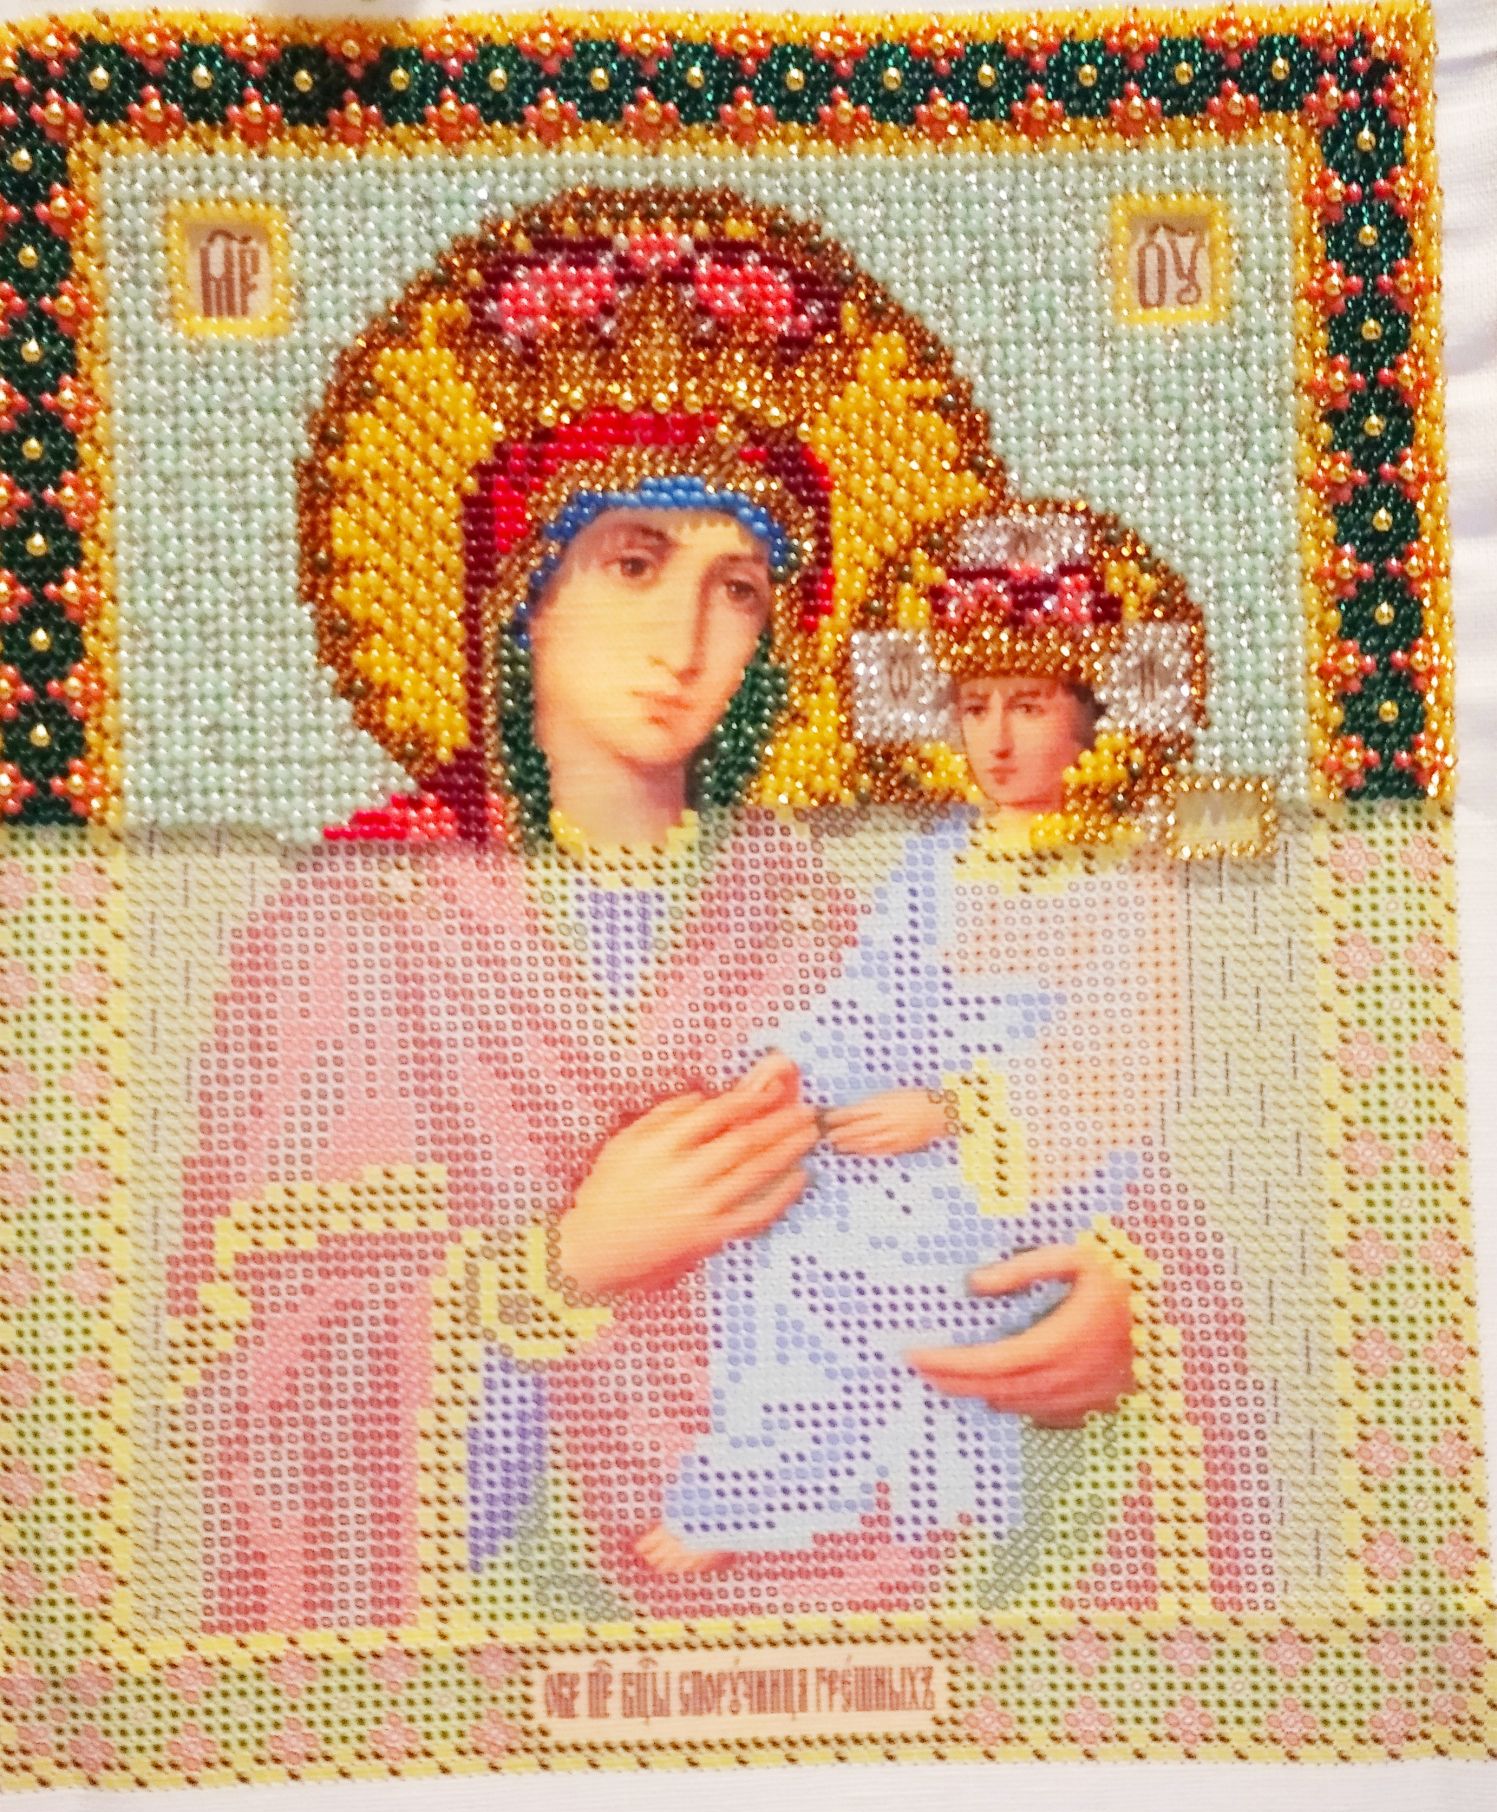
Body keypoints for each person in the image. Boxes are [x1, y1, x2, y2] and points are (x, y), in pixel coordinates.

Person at [164, 191, 1137, 1633]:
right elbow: (242, 1346)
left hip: (852, 1588)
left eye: (736, 588)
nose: (686, 640)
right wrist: (560, 1267)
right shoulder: (361, 928)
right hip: (494, 1628)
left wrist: (1107, 1307)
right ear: (518, 589)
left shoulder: (814, 922)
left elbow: (1041, 1139)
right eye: (631, 561)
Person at [643, 499, 1240, 1581]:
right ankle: (799, 1481)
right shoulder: (942, 852)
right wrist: (791, 1062)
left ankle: (790, 1498)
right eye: (973, 706)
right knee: (770, 1209)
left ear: (1089, 716)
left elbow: (1127, 1047)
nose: (996, 739)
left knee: (841, 1252)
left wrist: (955, 1110)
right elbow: (875, 991)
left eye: (1028, 704)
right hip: (908, 1113)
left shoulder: (1126, 866)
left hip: (1037, 1153)